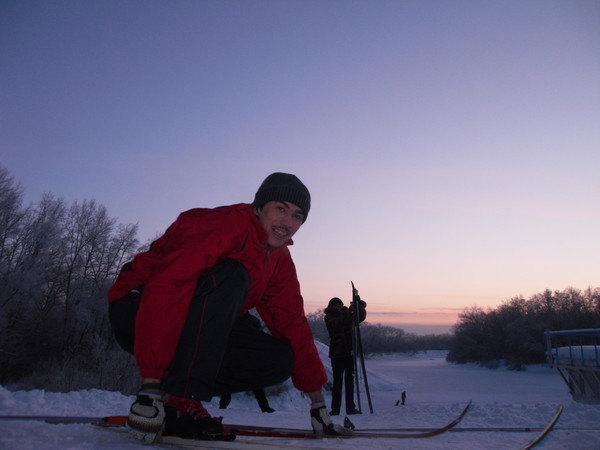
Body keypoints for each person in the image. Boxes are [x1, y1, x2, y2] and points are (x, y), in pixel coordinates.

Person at [108, 172, 348, 442]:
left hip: (189, 322)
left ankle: (177, 402)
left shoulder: (279, 260)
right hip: (138, 309)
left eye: (297, 216)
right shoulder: (220, 226)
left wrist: (317, 403)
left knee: (279, 360)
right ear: (259, 207)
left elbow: (292, 323)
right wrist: (150, 386)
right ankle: (179, 399)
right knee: (234, 275)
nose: (287, 223)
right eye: (281, 209)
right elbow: (168, 288)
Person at [324, 296, 366, 416]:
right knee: (338, 382)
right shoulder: (329, 317)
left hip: (349, 352)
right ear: (331, 306)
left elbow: (359, 318)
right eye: (336, 305)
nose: (339, 307)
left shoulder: (346, 315)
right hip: (337, 354)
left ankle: (350, 408)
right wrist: (351, 310)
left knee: (350, 381)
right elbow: (338, 323)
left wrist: (359, 306)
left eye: (340, 305)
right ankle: (335, 409)